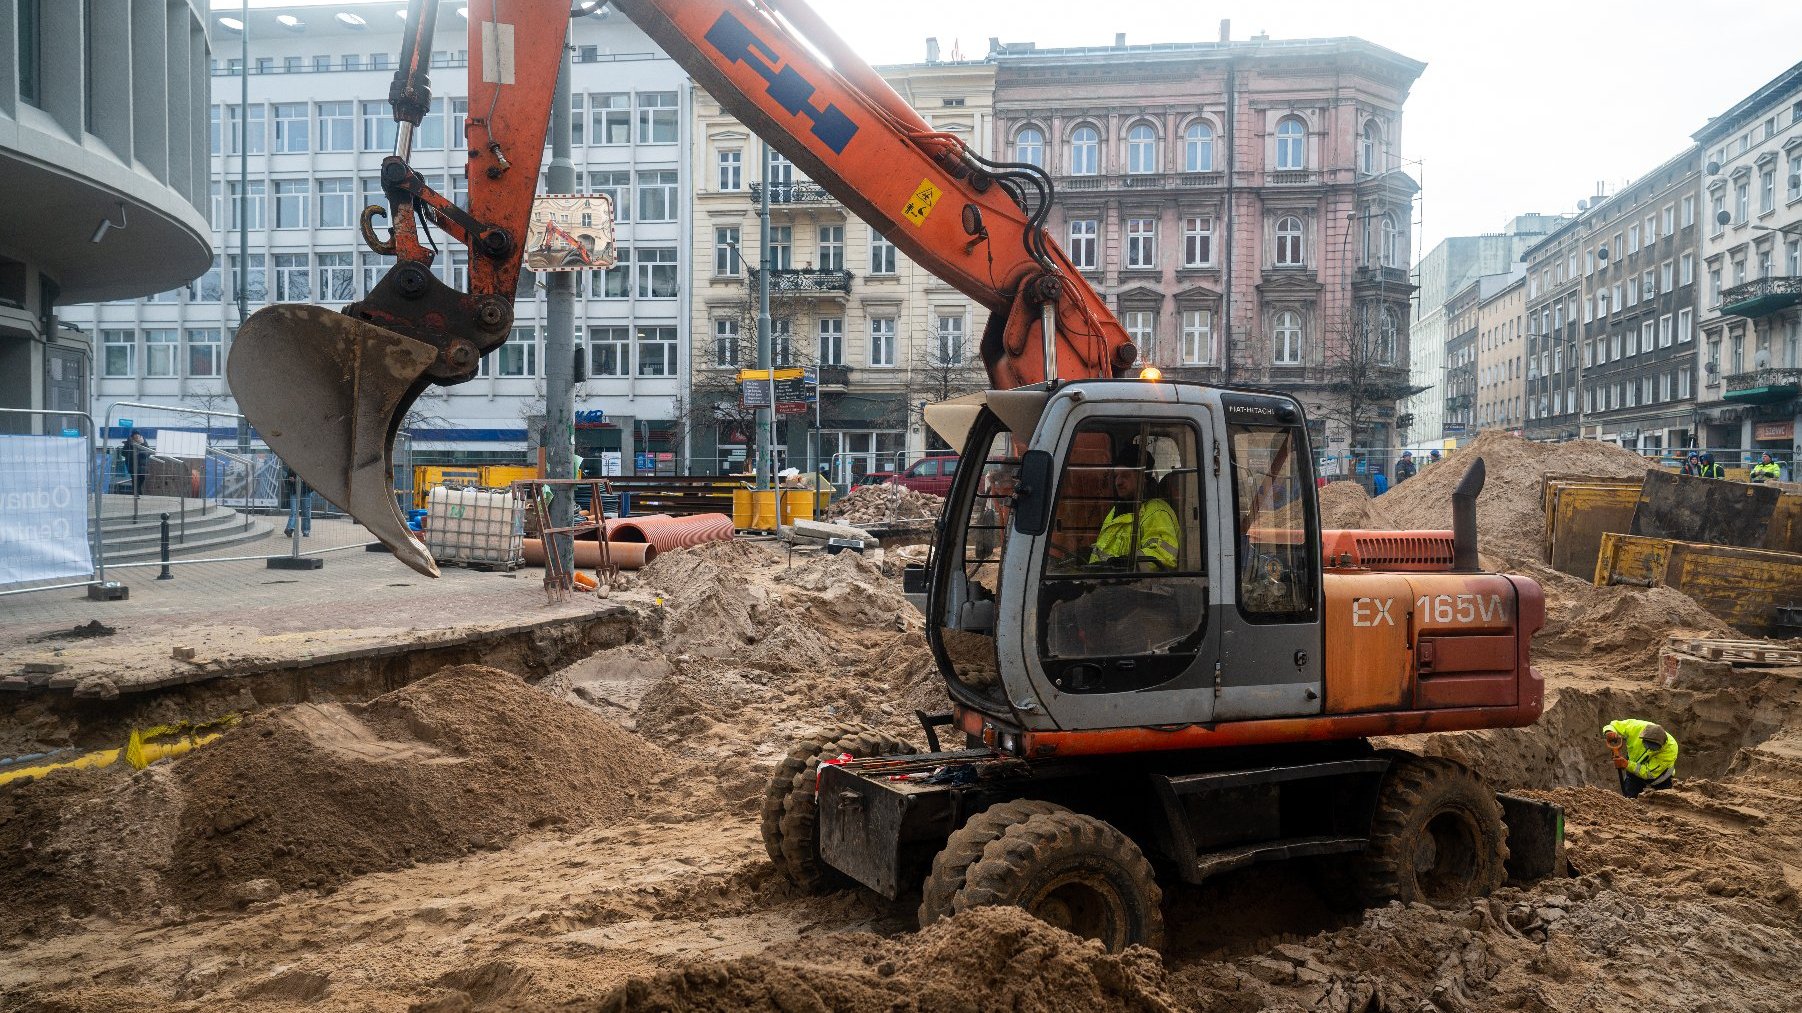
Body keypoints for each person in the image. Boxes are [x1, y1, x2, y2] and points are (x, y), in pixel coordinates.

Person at [1085, 445, 1179, 570]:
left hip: (1140, 586)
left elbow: (1163, 556)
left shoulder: (1156, 511)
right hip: (1106, 584)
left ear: (1143, 477)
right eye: (1116, 476)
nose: (1118, 482)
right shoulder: (1117, 510)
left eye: (1125, 475)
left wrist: (1127, 565)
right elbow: (1103, 553)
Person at [1602, 719, 1678, 798]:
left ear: (1662, 745)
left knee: (1664, 801)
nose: (1649, 749)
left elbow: (1649, 772)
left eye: (1653, 748)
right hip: (1634, 769)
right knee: (1630, 797)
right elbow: (1614, 725)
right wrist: (1609, 731)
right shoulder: (1635, 727)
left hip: (1661, 777)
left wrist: (1627, 764)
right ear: (1643, 736)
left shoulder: (1670, 749)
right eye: (1647, 745)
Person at [283, 463, 312, 538]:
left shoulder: (309, 467)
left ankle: (306, 531)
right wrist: (290, 480)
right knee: (294, 511)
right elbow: (287, 479)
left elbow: (312, 480)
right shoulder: (293, 466)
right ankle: (290, 528)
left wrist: (298, 481)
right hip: (294, 491)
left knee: (306, 512)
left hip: (306, 491)